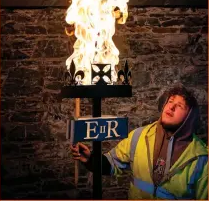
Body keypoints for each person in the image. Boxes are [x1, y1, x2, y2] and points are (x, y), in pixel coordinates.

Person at [71, 84, 208, 199]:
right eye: (170, 101)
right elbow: (113, 163)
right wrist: (91, 159)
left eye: (180, 106)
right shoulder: (139, 136)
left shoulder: (200, 158)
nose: (171, 107)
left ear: (189, 117)